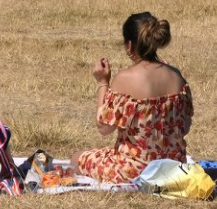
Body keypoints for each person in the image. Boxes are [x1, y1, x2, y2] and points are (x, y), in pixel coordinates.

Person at [75, 12, 192, 184]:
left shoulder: (125, 79)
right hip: (174, 168)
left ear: (129, 45)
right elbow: (185, 127)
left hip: (134, 171)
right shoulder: (176, 76)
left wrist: (102, 83)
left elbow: (104, 128)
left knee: (77, 158)